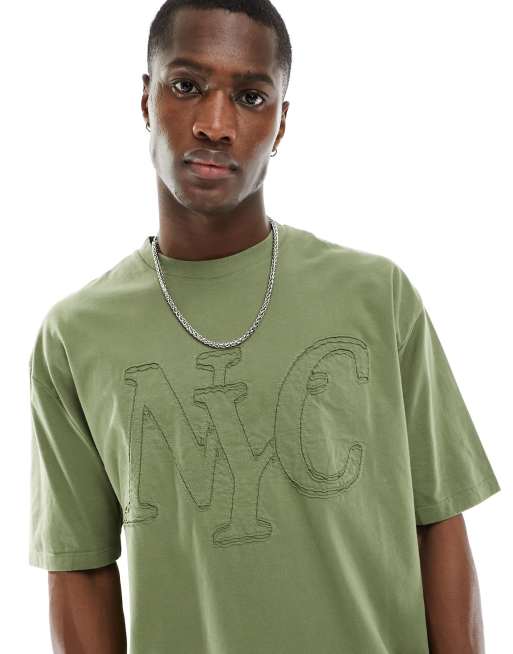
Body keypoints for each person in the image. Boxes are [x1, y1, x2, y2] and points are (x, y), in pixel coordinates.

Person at [28, 1, 501, 653]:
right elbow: (80, 568)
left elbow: (437, 523)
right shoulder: (76, 335)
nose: (215, 124)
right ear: (145, 100)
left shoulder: (376, 295)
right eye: (186, 86)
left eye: (250, 97)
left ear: (279, 125)